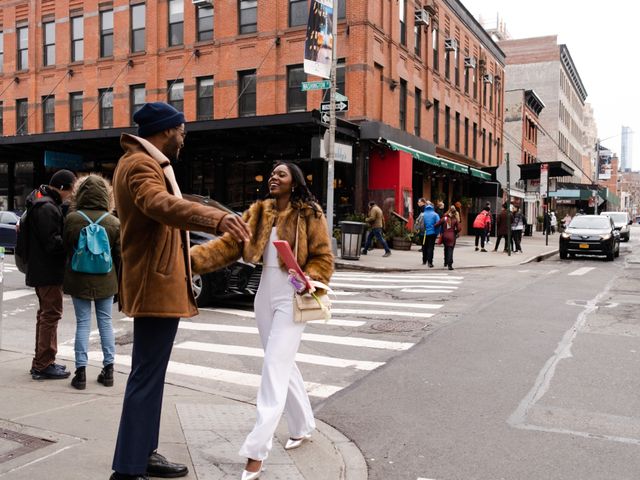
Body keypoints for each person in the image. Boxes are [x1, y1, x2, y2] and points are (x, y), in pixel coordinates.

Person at [109, 102, 251, 480]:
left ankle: (143, 452)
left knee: (151, 375)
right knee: (146, 376)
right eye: (181, 130)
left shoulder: (146, 163)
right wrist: (218, 217)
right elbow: (160, 205)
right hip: (153, 286)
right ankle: (127, 469)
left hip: (159, 282)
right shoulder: (140, 164)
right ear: (165, 131)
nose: (184, 137)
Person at [190, 162, 334, 480]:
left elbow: (324, 256)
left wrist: (311, 277)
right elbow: (229, 245)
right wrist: (192, 261)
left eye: (281, 174)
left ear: (294, 182)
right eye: (271, 174)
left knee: (272, 370)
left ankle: (256, 452)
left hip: (293, 295)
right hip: (263, 296)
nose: (273, 177)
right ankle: (302, 425)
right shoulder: (259, 212)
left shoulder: (310, 213)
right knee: (281, 363)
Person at [63, 174, 120, 390]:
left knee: (83, 323)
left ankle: (80, 374)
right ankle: (109, 371)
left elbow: (67, 247)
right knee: (106, 323)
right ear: (106, 195)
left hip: (78, 278)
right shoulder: (113, 221)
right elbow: (119, 255)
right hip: (106, 279)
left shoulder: (72, 219)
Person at [27, 169, 77, 380]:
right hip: (47, 271)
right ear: (63, 188)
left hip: (42, 269)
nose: (71, 195)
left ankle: (43, 361)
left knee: (46, 315)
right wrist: (70, 240)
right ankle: (43, 364)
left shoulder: (42, 201)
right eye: (71, 191)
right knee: (51, 315)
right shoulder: (47, 207)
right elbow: (52, 243)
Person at [434, 205, 459, 270]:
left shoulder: (444, 218)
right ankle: (450, 264)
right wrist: (455, 231)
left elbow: (437, 224)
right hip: (452, 236)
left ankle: (445, 262)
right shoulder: (455, 219)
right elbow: (459, 228)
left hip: (445, 235)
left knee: (446, 248)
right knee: (450, 249)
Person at [421, 201, 440, 267]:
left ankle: (424, 260)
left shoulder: (422, 214)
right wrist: (437, 233)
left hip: (423, 233)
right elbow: (438, 224)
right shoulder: (435, 215)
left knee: (424, 246)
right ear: (433, 207)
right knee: (430, 247)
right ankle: (430, 262)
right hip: (432, 233)